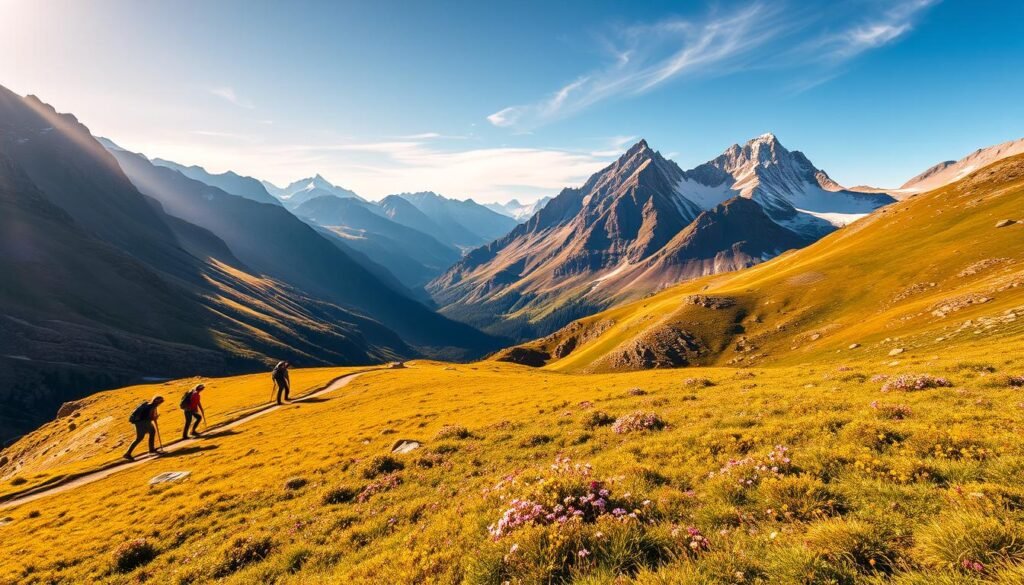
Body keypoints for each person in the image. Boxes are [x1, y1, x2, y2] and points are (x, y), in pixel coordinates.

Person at [124, 395, 165, 460]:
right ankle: (151, 449)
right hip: (143, 423)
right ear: (157, 401)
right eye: (161, 402)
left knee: (140, 437)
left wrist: (153, 417)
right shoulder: (152, 406)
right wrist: (154, 418)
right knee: (150, 433)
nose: (161, 403)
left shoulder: (148, 405)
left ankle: (128, 453)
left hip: (138, 423)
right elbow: (148, 417)